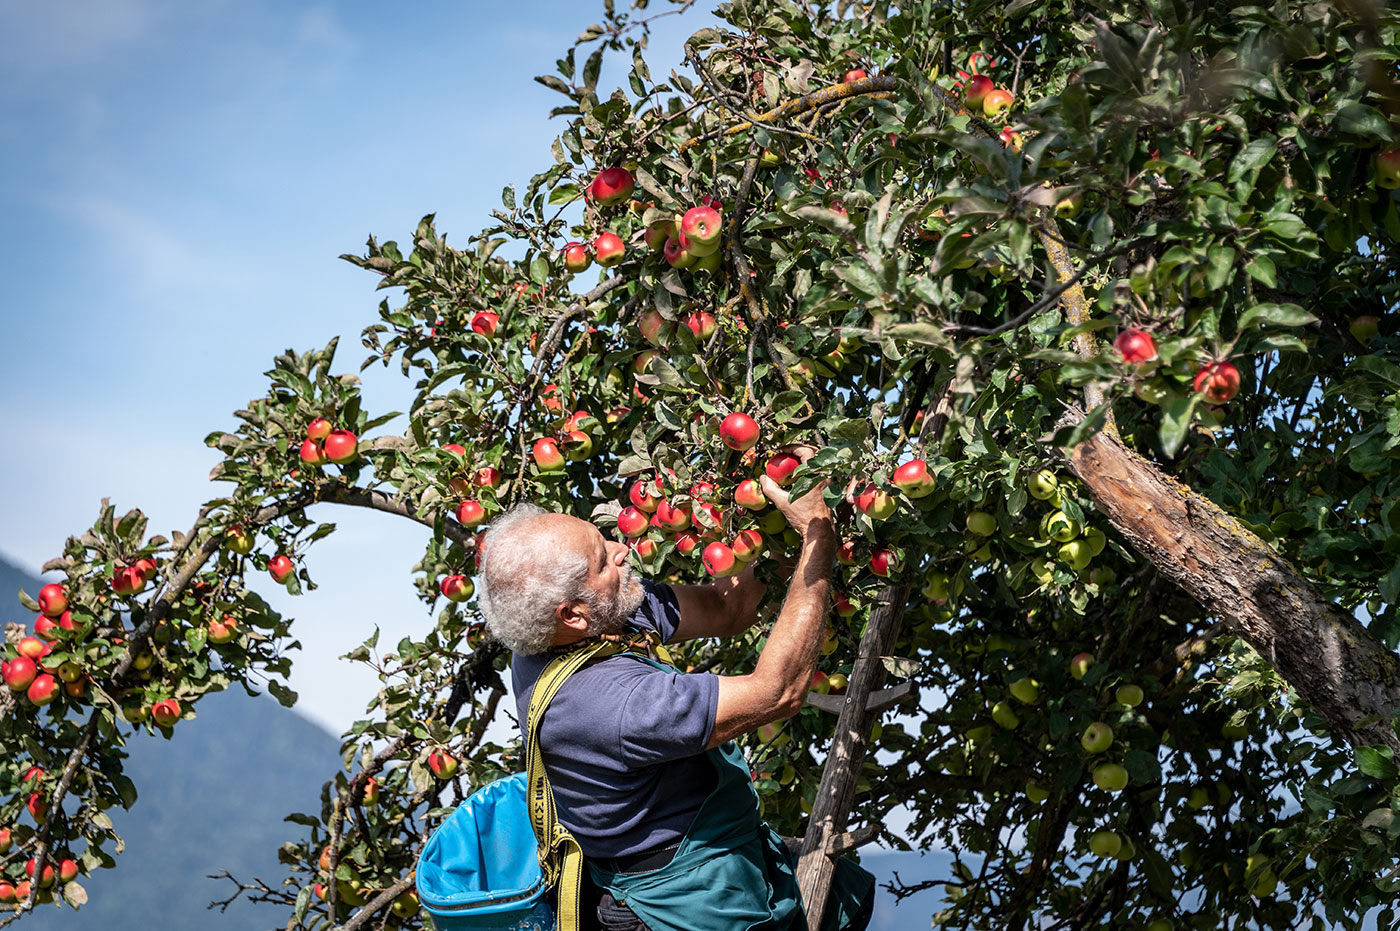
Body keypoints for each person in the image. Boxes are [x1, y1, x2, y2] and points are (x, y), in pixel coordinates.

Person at [476, 468, 874, 931]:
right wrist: (818, 539)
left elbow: (726, 607)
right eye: (603, 561)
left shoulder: (590, 623)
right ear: (572, 613)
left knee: (850, 900)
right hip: (683, 895)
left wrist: (785, 518)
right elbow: (778, 691)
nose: (622, 549)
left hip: (715, 848)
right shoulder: (616, 705)